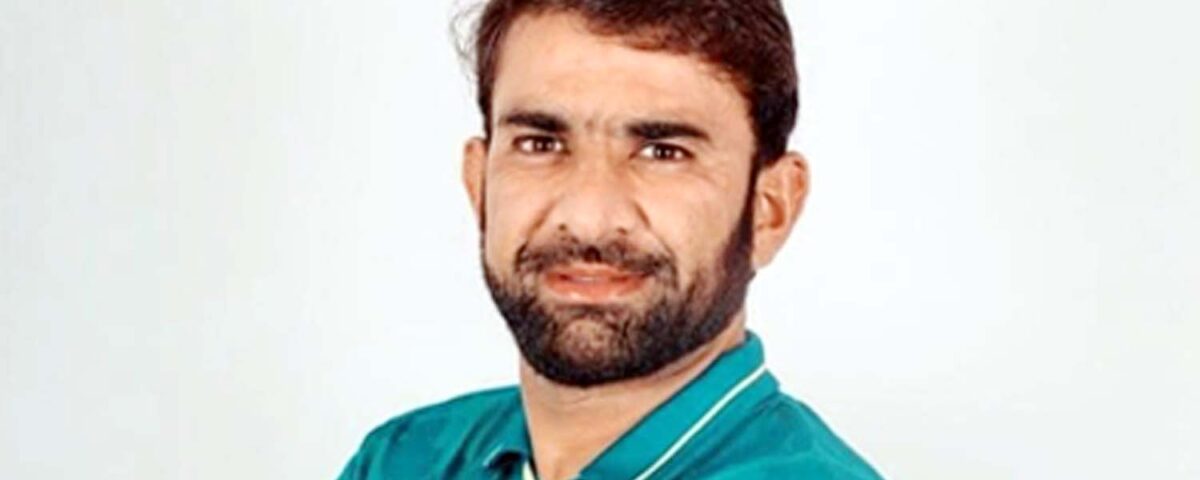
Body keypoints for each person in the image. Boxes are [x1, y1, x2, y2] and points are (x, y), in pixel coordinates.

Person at [339, 1, 882, 478]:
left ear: (770, 210)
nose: (588, 219)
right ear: (478, 185)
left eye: (663, 152)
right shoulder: (398, 462)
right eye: (541, 144)